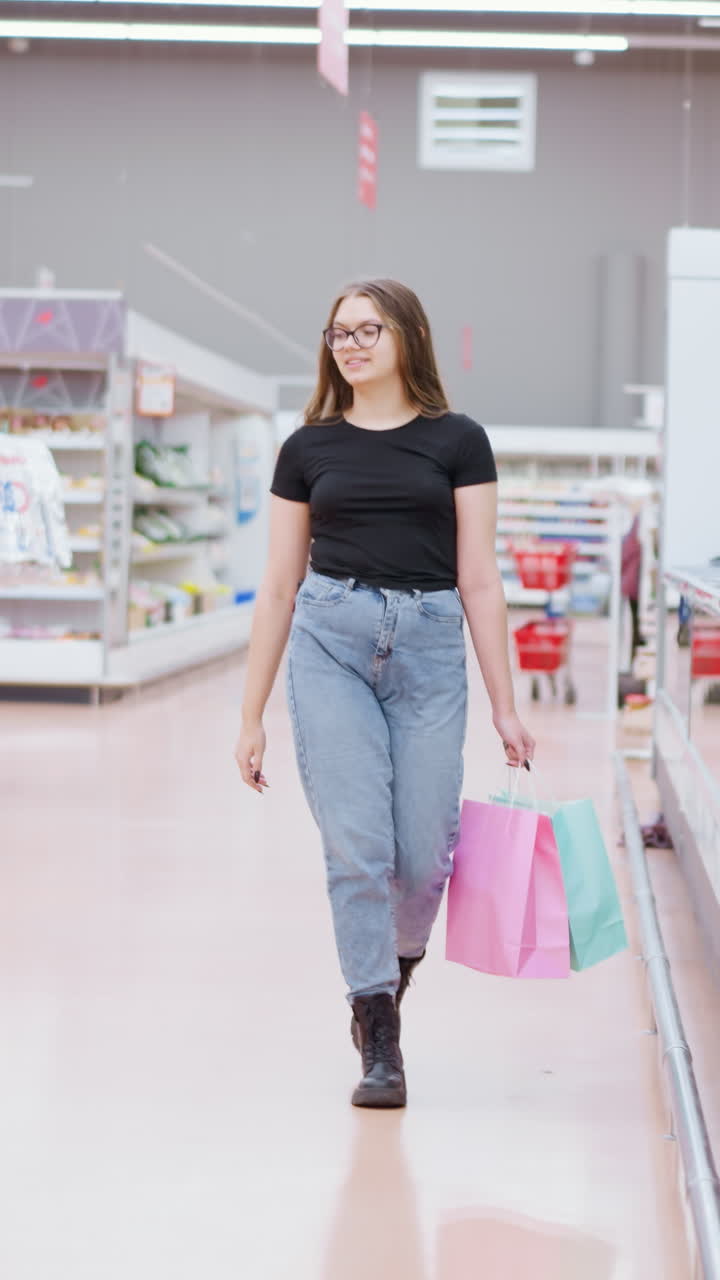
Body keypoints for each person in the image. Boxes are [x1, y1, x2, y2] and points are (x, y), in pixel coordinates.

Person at [234, 279, 535, 1110]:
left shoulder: (459, 440)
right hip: (330, 642)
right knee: (357, 847)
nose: (351, 345)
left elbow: (480, 578)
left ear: (409, 336)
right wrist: (251, 716)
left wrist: (506, 705)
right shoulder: (306, 448)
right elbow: (278, 585)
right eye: (339, 333)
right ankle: (379, 1033)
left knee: (424, 855)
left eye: (368, 330)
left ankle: (390, 977)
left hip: (431, 649)